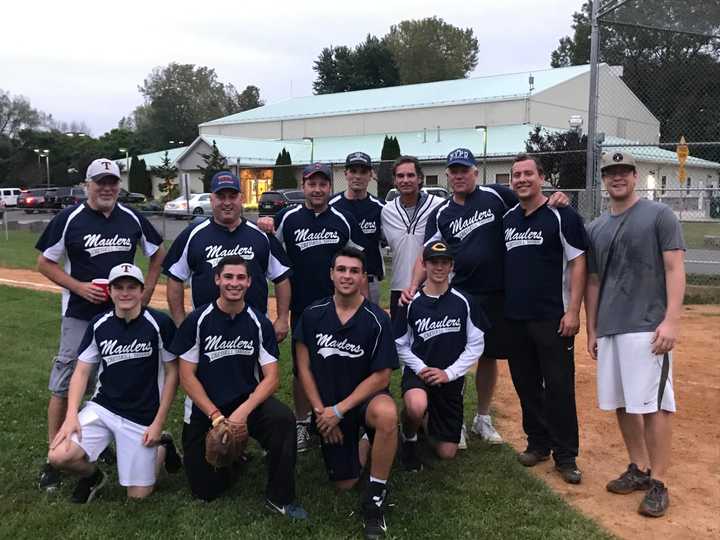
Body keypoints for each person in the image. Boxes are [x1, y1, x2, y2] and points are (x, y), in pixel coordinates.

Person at [35, 158, 165, 491]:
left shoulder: (131, 217)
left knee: (120, 377)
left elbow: (157, 252)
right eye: (100, 182)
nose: (107, 188)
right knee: (66, 380)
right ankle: (55, 448)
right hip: (81, 312)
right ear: (86, 185)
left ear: (119, 186)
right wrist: (77, 286)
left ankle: (109, 436)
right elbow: (44, 262)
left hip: (124, 314)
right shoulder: (70, 219)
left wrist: (148, 289)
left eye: (112, 182)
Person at [585, 151, 685, 517]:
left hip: (648, 328)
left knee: (656, 406)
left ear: (635, 175)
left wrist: (671, 320)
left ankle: (658, 482)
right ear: (604, 179)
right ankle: (639, 468)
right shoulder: (596, 228)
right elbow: (592, 283)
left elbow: (675, 267)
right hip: (611, 328)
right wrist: (593, 328)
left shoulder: (660, 215)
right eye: (611, 173)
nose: (617, 178)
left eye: (624, 171)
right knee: (624, 404)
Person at [169, 255, 306, 518]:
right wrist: (216, 416)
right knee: (206, 491)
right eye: (228, 277)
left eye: (241, 277)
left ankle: (280, 497)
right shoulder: (197, 320)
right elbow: (187, 376)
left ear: (250, 282)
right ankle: (236, 457)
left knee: (282, 420)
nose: (234, 283)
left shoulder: (258, 321)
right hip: (206, 407)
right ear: (217, 279)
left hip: (245, 401)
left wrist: (241, 414)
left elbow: (272, 378)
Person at [48, 264, 180, 502]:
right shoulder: (99, 323)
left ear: (142, 291)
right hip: (103, 408)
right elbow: (81, 371)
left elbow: (172, 373)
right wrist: (71, 416)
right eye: (118, 287)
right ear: (110, 292)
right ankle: (93, 477)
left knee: (138, 496)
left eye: (132, 287)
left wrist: (158, 422)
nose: (125, 293)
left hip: (142, 415)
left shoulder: (159, 323)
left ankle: (161, 448)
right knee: (59, 456)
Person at [294, 247, 398, 539]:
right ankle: (365, 440)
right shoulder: (313, 315)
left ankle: (375, 497)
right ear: (331, 274)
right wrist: (322, 413)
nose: (347, 276)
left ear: (364, 277)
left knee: (387, 414)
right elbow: (303, 368)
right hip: (326, 407)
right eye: (341, 269)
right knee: (345, 483)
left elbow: (382, 376)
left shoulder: (377, 318)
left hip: (362, 402)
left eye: (354, 271)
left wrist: (338, 411)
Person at [267, 162, 368, 452]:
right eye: (312, 184)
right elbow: (276, 264)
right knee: (303, 368)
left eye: (323, 184)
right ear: (304, 187)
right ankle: (302, 423)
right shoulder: (287, 218)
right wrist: (282, 315)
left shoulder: (343, 218)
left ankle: (344, 416)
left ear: (329, 187)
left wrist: (364, 306)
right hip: (302, 307)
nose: (317, 189)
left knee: (342, 362)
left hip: (340, 308)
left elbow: (358, 264)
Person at [503, 154, 587, 484]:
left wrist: (573, 311)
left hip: (553, 317)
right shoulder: (508, 218)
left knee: (559, 388)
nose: (522, 179)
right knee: (526, 385)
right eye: (516, 175)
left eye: (528, 174)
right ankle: (538, 444)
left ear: (541, 177)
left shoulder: (561, 214)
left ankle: (566, 455)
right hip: (516, 317)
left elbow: (578, 262)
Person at [163, 171, 291, 343]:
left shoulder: (260, 235)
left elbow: (282, 277)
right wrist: (181, 322)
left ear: (242, 199)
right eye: (221, 197)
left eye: (232, 196)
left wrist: (282, 318)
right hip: (207, 332)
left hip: (254, 330)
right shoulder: (193, 235)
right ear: (211, 199)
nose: (227, 202)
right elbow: (174, 277)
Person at [396, 240, 487, 470]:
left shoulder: (464, 301)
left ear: (451, 266)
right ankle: (408, 436)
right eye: (433, 262)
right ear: (424, 265)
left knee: (446, 452)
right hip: (419, 374)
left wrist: (449, 373)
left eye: (444, 262)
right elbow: (400, 344)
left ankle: (426, 419)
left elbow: (476, 344)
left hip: (449, 377)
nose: (439, 267)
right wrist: (420, 368)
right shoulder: (410, 302)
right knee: (416, 405)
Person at [381, 156, 445, 322]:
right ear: (394, 180)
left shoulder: (439, 205)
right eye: (400, 176)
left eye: (410, 175)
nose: (405, 180)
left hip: (433, 288)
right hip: (399, 289)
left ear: (420, 178)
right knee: (400, 343)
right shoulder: (386, 211)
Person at [328, 152, 386, 304]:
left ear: (371, 175)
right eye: (353, 171)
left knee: (369, 324)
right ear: (346, 174)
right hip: (339, 279)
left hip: (370, 278)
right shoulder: (331, 206)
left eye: (363, 172)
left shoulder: (381, 207)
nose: (357, 176)